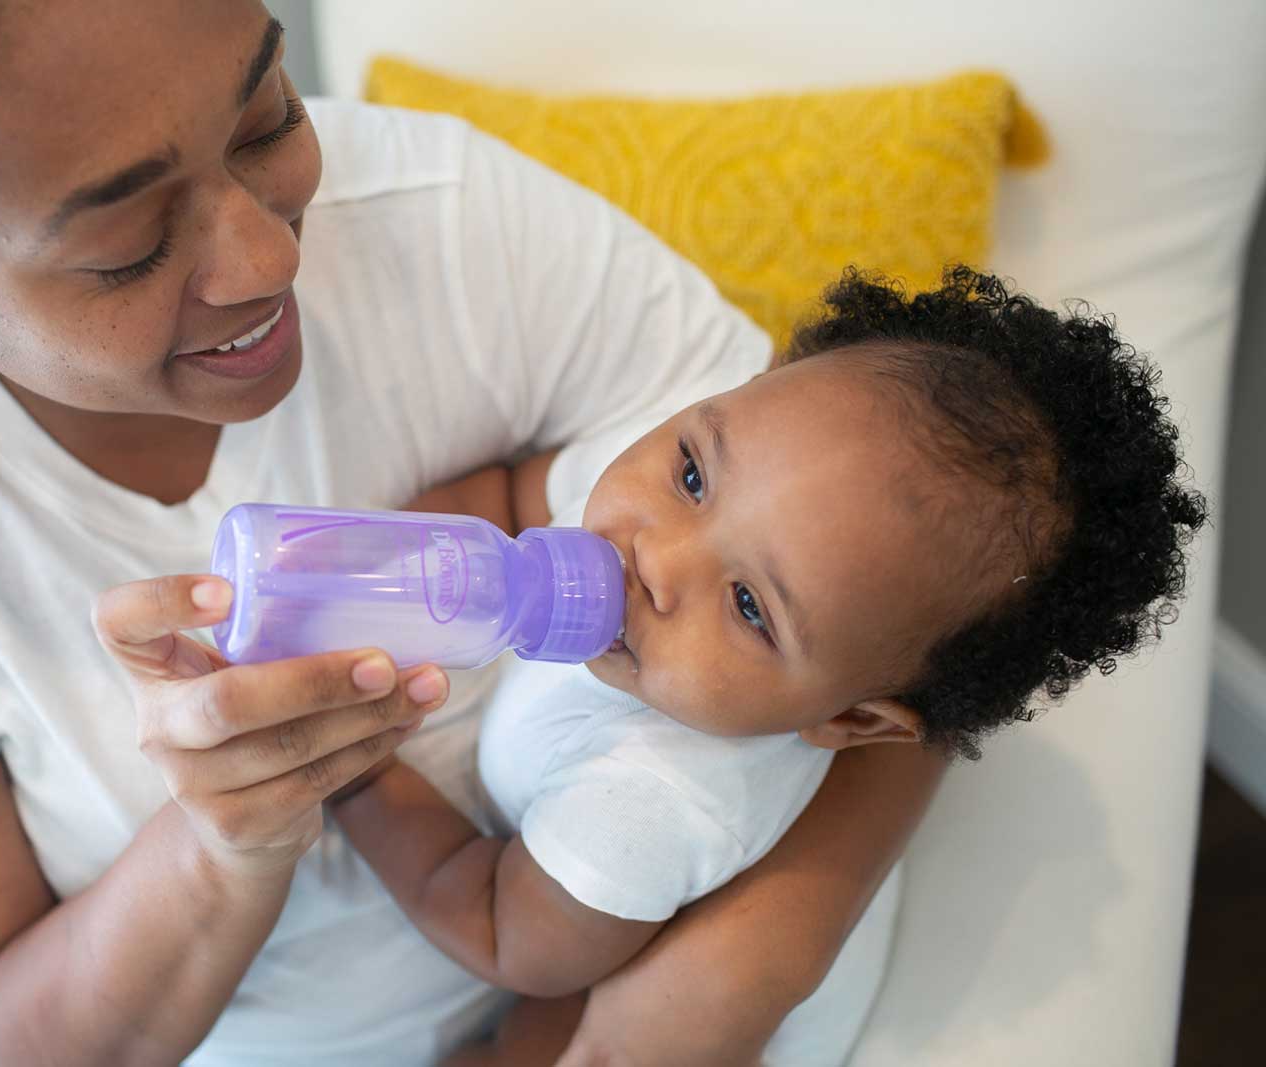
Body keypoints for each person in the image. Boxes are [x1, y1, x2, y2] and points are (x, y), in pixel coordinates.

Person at [0, 1, 944, 1063]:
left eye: (265, 121)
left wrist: (748, 960)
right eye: (128, 246)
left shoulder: (460, 225)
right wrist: (221, 841)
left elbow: (908, 584)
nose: (263, 253)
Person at [330, 268, 1207, 1065]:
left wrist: (357, 773)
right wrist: (391, 562)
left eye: (751, 606)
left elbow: (495, 921)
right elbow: (518, 492)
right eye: (693, 477)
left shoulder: (654, 800)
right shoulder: (656, 473)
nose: (656, 558)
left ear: (851, 720)